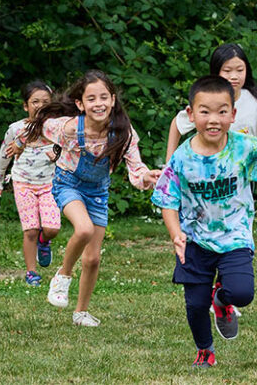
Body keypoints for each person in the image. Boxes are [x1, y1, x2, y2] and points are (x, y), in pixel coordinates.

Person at [151, 75, 257, 368]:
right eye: (204, 111)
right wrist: (175, 233)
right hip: (194, 239)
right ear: (191, 115)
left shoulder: (246, 147)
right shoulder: (181, 158)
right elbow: (167, 200)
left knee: (241, 293)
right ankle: (205, 350)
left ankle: (222, 299)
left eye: (221, 111)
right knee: (194, 304)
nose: (213, 119)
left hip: (235, 236)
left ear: (233, 114)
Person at [23, 70, 162, 327]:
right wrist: (27, 143)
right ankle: (62, 277)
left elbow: (136, 168)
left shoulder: (123, 132)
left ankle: (81, 313)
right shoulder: (67, 128)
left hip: (98, 191)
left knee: (93, 258)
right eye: (91, 99)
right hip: (69, 184)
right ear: (80, 104)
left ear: (112, 100)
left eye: (104, 98)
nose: (98, 104)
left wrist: (147, 177)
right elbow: (41, 125)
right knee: (83, 228)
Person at [165, 43, 257, 163]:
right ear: (216, 72)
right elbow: (177, 124)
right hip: (210, 173)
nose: (234, 76)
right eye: (227, 71)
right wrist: (169, 165)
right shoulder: (206, 100)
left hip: (245, 174)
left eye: (240, 70)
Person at [0, 80, 60, 286]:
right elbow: (5, 154)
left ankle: (44, 241)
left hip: (50, 184)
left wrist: (57, 152)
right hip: (23, 183)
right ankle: (32, 272)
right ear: (25, 105)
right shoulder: (17, 129)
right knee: (30, 229)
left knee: (52, 228)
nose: (40, 106)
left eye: (45, 102)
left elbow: (71, 150)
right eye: (35, 101)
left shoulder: (57, 128)